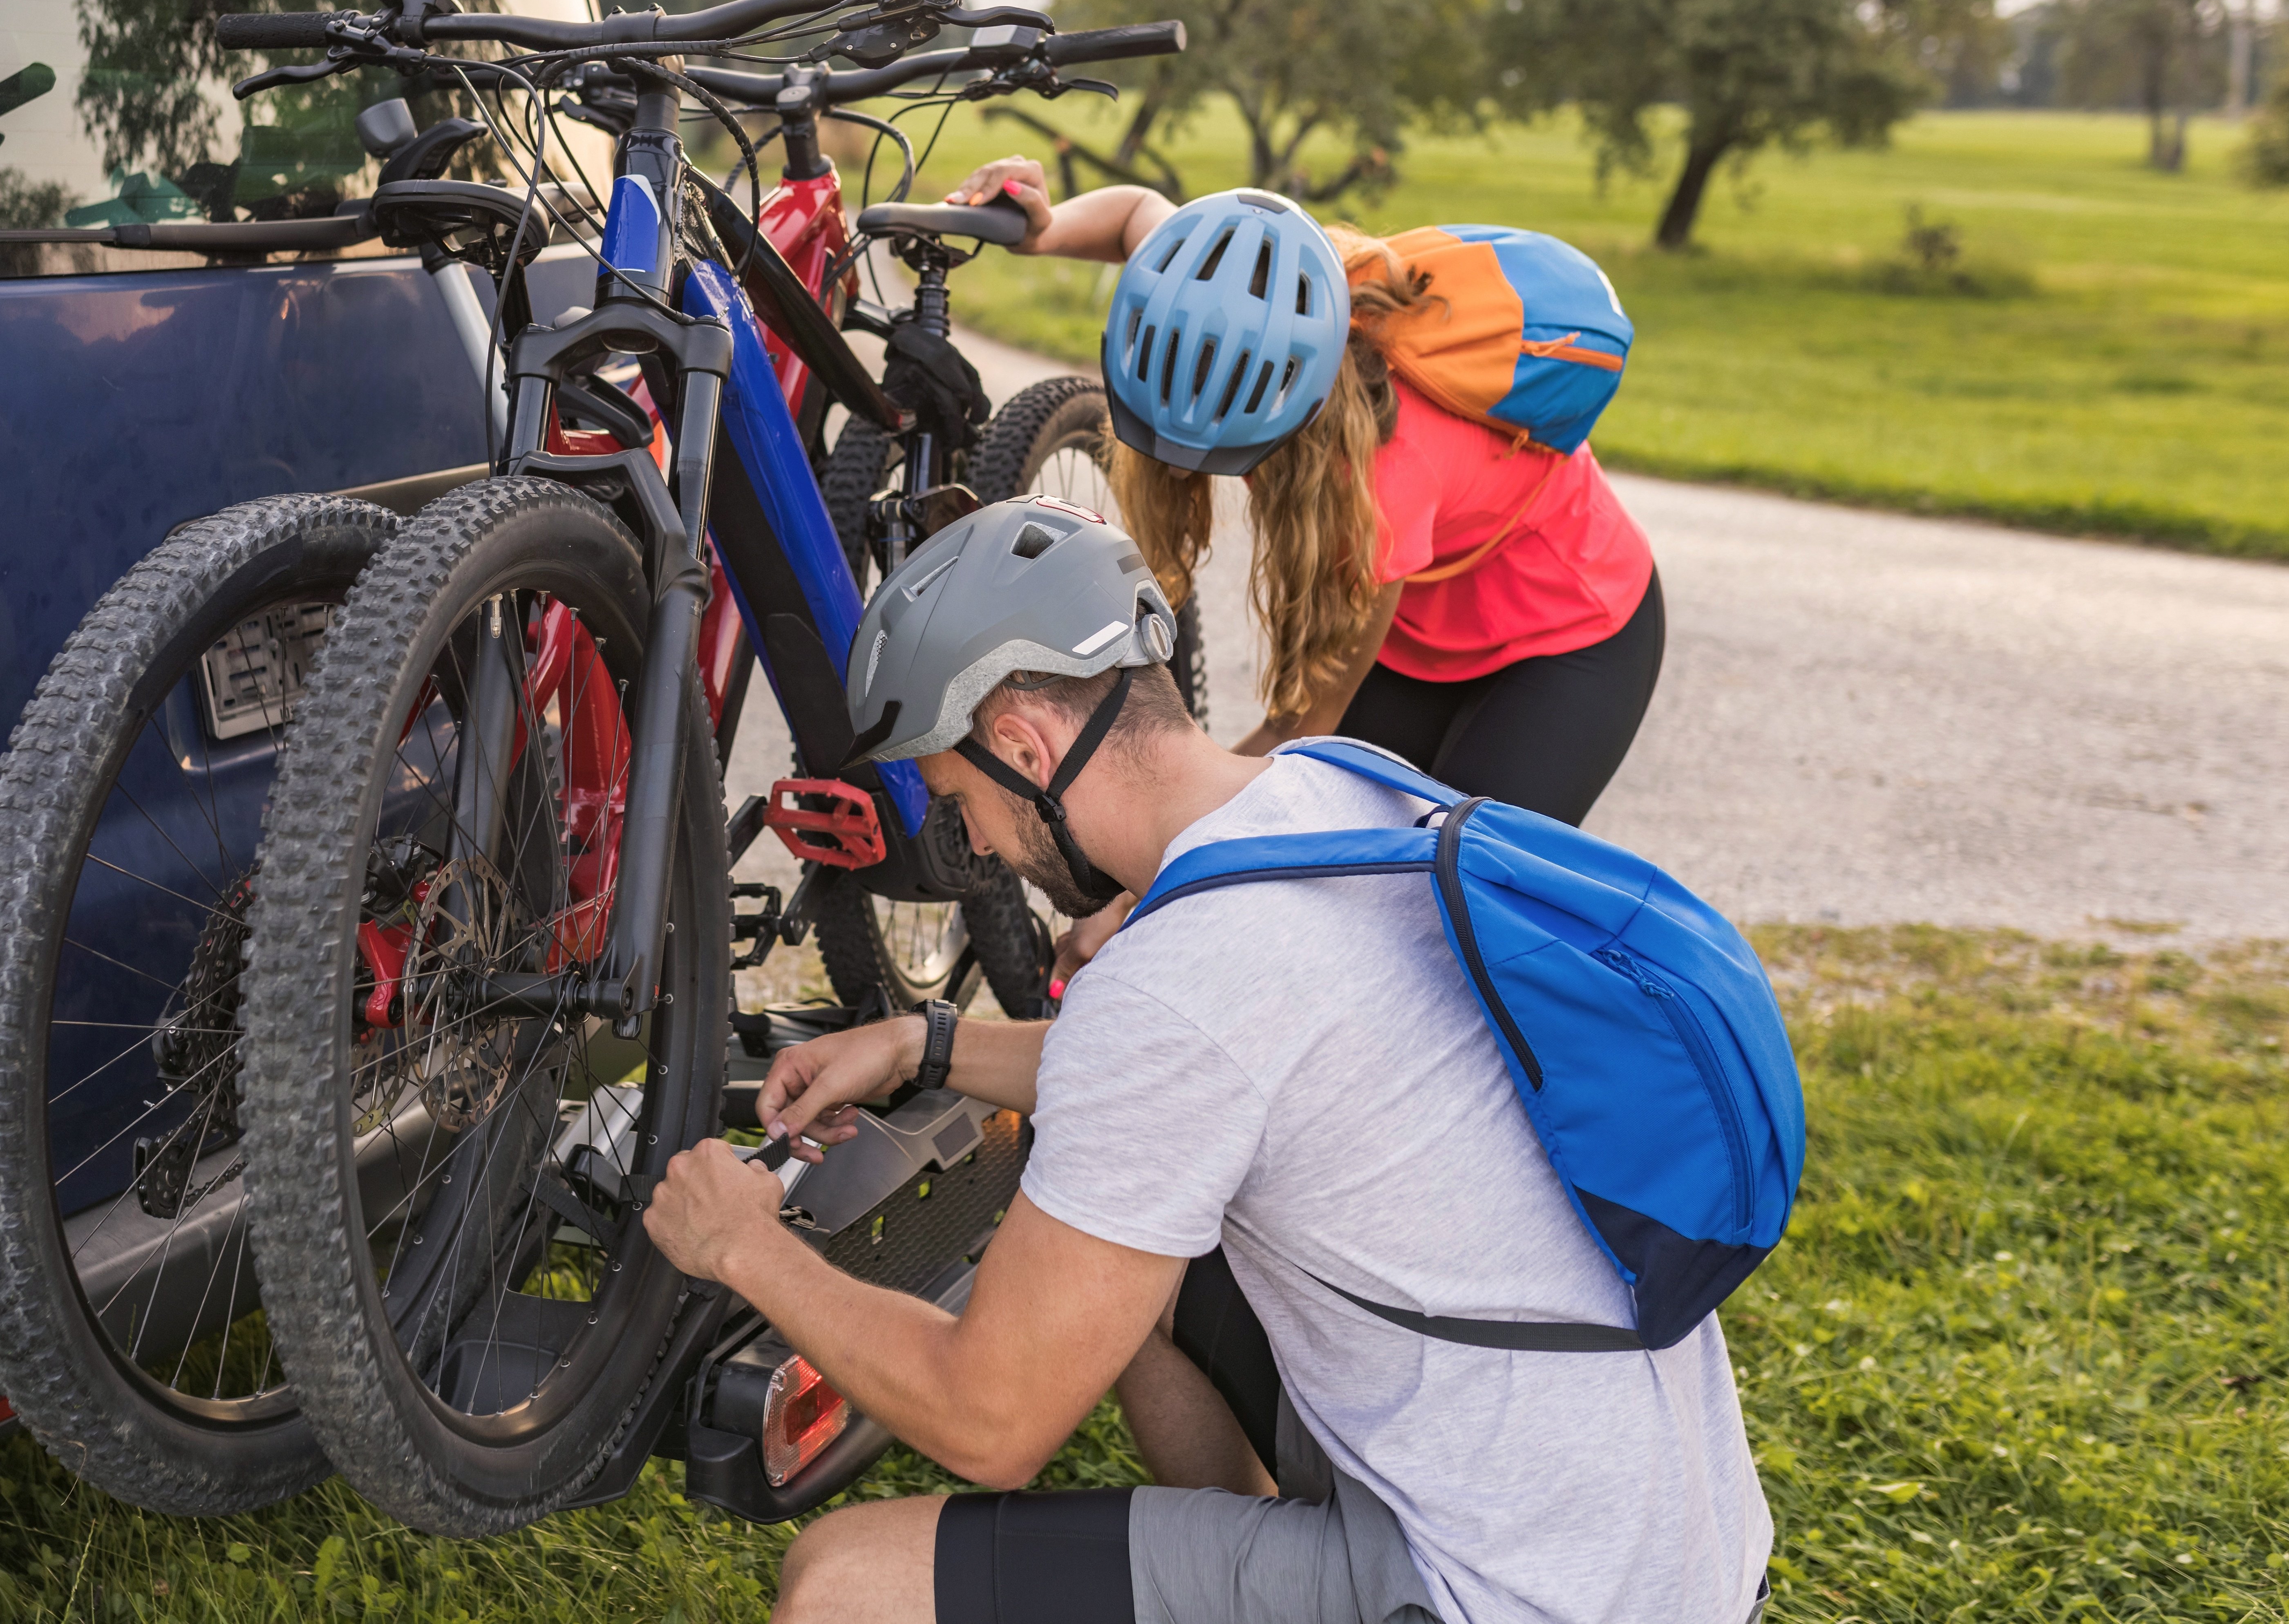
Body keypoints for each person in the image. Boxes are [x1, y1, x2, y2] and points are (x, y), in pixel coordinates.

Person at [642, 496, 1772, 1624]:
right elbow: (1198, 1069)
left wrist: (745, 1244)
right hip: (1657, 1541)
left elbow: (988, 1418)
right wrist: (923, 1039)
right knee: (1136, 1246)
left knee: (843, 1586)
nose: (975, 843)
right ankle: (1268, 1547)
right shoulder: (1333, 789)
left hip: (1513, 1593)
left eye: (960, 800)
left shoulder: (1180, 985)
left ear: (1024, 745)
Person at [942, 162, 1667, 983]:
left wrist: (1139, 891)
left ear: (1300, 408)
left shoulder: (1380, 488)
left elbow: (1299, 737)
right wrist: (1044, 229)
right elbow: (1140, 214)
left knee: (1453, 912)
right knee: (1325, 874)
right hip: (1421, 633)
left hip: (1570, 637)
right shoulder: (1224, 285)